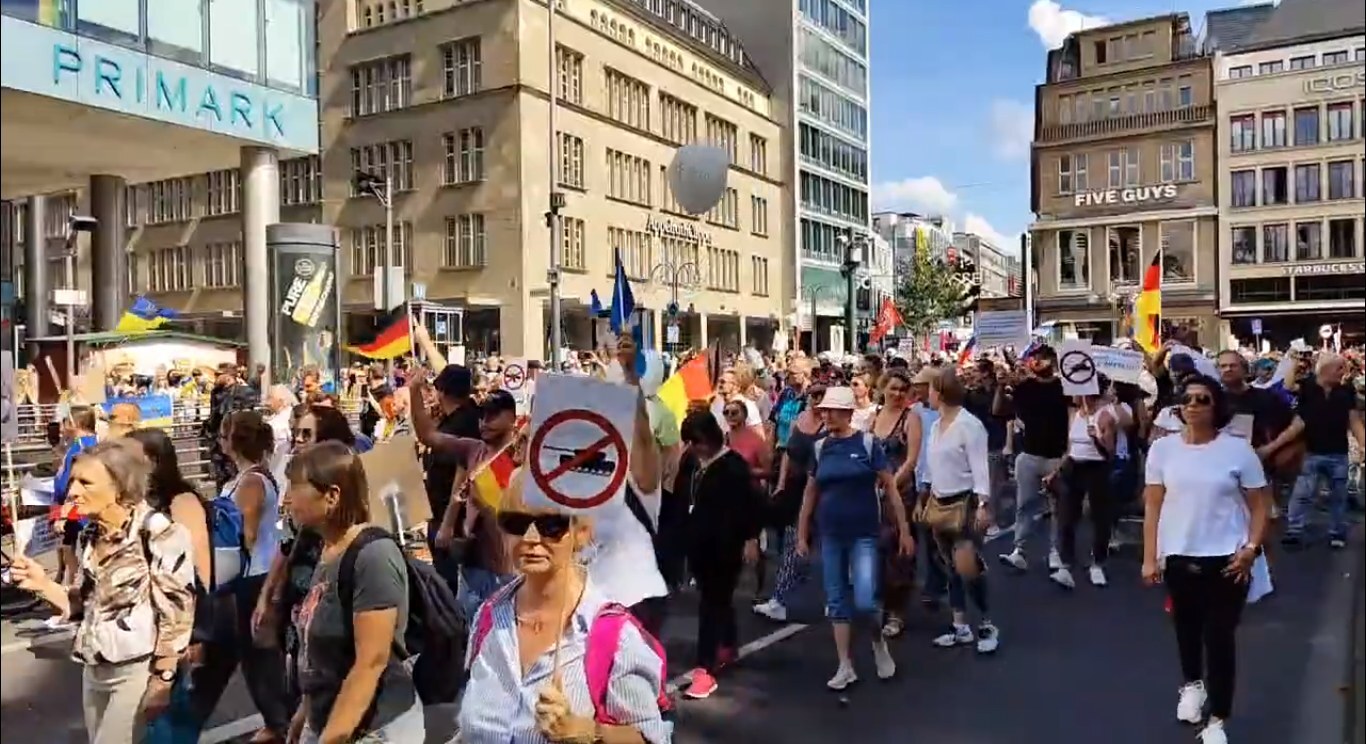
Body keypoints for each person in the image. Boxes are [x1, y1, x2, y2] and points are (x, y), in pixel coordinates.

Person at [457, 471, 674, 743]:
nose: (531, 538)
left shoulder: (614, 637)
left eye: (551, 525)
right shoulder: (488, 617)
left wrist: (585, 731)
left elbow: (651, 738)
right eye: (516, 522)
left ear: (582, 532)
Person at [10, 439, 196, 744]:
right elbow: (84, 605)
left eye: (85, 482)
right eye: (72, 481)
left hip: (136, 670)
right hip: (94, 668)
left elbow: (177, 613)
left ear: (120, 487)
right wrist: (41, 584)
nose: (73, 492)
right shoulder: (90, 534)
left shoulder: (158, 530)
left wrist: (163, 679)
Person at [1142, 374, 1271, 744]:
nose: (1193, 405)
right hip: (1179, 557)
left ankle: (1217, 718)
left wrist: (1250, 549)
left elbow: (1260, 505)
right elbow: (1153, 505)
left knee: (1219, 638)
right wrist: (1150, 557)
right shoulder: (1163, 450)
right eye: (1188, 399)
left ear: (1217, 406)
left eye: (1203, 399)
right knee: (1186, 629)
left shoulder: (1237, 451)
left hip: (1227, 560)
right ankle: (1192, 685)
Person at [283, 441, 424, 743]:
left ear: (332, 496)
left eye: (295, 488)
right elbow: (320, 655)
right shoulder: (326, 549)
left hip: (375, 730)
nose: (287, 499)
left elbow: (370, 663)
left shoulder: (373, 555)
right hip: (327, 720)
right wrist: (305, 714)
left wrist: (331, 737)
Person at [796, 386, 912, 689]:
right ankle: (845, 665)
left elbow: (890, 488)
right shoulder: (820, 448)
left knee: (864, 599)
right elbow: (810, 493)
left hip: (864, 533)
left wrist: (904, 530)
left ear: (848, 413)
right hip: (831, 533)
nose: (827, 415)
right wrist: (802, 534)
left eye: (833, 410)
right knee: (835, 600)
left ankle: (877, 643)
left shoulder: (868, 444)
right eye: (824, 410)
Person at [676, 412, 764, 699]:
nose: (694, 447)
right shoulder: (690, 463)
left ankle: (705, 669)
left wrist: (751, 539)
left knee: (711, 604)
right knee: (715, 599)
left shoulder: (734, 467)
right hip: (698, 543)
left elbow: (750, 505)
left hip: (726, 546)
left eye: (697, 441)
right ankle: (728, 642)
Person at [923, 368, 1000, 654]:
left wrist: (983, 504)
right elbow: (933, 465)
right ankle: (960, 626)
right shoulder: (936, 425)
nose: (926, 394)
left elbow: (981, 467)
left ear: (941, 392)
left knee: (967, 564)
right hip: (939, 500)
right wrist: (926, 492)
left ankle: (987, 623)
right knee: (950, 566)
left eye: (930, 389)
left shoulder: (970, 426)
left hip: (965, 501)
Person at [1282, 353, 1365, 550]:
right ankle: (1294, 530)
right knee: (1303, 493)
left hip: (1339, 452)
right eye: (1339, 368)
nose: (1343, 372)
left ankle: (1337, 531)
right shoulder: (1307, 386)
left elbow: (1354, 420)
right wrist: (1294, 360)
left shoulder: (1346, 391)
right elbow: (1287, 385)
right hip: (1311, 450)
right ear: (1326, 369)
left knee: (1338, 495)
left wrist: (1363, 443)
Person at [1044, 389, 1118, 589]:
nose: (1072, 396)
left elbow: (1109, 453)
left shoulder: (1105, 416)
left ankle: (1097, 563)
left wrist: (1096, 438)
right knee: (1066, 515)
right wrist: (1055, 472)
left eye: (1077, 392)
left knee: (1099, 516)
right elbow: (1070, 450)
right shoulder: (1073, 415)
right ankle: (1066, 565)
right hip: (1073, 467)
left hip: (1097, 468)